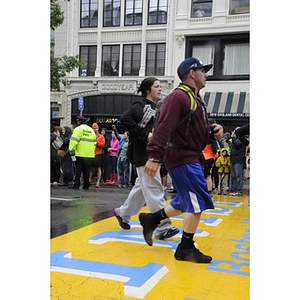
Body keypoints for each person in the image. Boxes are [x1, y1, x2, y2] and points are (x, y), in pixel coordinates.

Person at [139, 57, 223, 263]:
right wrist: (154, 156)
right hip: (182, 157)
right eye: (203, 71)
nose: (206, 75)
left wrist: (213, 131)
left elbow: (195, 129)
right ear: (192, 73)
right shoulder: (178, 97)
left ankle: (151, 219)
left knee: (185, 200)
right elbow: (164, 127)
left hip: (189, 156)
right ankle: (185, 247)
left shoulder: (195, 99)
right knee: (197, 201)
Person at [114, 77, 179, 240]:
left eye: (160, 86)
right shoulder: (140, 106)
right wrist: (146, 134)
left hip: (153, 153)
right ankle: (162, 227)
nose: (160, 89)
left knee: (142, 190)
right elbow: (125, 119)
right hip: (144, 154)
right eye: (156, 86)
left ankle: (122, 213)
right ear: (148, 89)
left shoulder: (157, 107)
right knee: (155, 188)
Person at [69, 115, 96, 189]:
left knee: (78, 170)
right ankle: (86, 185)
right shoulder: (91, 130)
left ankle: (76, 184)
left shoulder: (78, 129)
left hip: (80, 154)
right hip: (89, 155)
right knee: (86, 171)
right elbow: (94, 142)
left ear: (78, 121)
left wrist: (71, 150)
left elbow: (74, 140)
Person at [202, 118, 220, 196]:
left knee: (206, 175)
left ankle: (208, 191)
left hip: (204, 157)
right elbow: (215, 150)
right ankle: (208, 190)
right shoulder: (212, 138)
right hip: (210, 157)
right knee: (208, 175)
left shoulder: (205, 136)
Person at [228, 129, 246, 196]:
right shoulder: (234, 139)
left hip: (238, 160)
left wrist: (233, 137)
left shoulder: (242, 139)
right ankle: (234, 189)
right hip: (233, 160)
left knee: (238, 176)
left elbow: (237, 144)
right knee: (233, 176)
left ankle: (239, 190)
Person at [89, 123, 105, 188]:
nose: (95, 129)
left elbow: (102, 144)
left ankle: (98, 182)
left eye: (96, 128)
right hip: (90, 153)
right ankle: (89, 180)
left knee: (98, 168)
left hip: (98, 154)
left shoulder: (101, 136)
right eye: (94, 128)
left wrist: (96, 142)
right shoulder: (89, 136)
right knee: (89, 168)